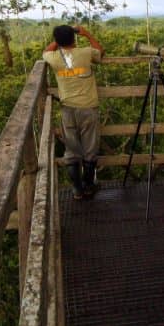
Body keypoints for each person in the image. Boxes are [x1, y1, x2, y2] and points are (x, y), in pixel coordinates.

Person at [43, 24, 105, 200]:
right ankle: (88, 187)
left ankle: (77, 190)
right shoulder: (85, 53)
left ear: (57, 40)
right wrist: (86, 34)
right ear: (74, 38)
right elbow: (100, 51)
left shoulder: (53, 57)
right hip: (88, 108)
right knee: (90, 148)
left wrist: (58, 41)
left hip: (67, 109)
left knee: (71, 151)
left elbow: (45, 51)